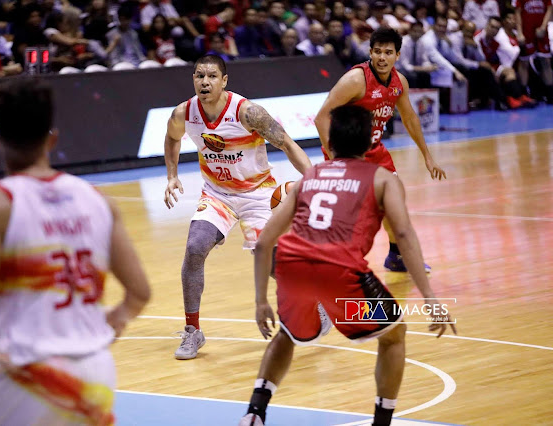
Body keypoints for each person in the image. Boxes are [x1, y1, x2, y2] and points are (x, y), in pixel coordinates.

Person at [0, 79, 151, 423]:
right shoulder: (99, 200)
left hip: (33, 376)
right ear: (52, 139)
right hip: (98, 370)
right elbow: (139, 293)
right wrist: (115, 321)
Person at [238, 105, 456, 426]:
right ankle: (381, 422)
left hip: (293, 271)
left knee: (287, 333)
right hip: (342, 278)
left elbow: (264, 242)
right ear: (370, 143)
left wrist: (261, 301)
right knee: (394, 333)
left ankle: (255, 412)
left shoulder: (309, 177)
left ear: (330, 142)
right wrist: (430, 298)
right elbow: (404, 235)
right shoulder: (382, 179)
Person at [164, 54, 313, 360]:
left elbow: (287, 143)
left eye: (212, 76)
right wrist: (172, 175)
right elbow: (171, 138)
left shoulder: (248, 113)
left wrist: (314, 179)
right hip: (217, 194)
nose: (205, 82)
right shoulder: (184, 113)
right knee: (194, 247)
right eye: (199, 76)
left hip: (257, 194)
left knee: (270, 263)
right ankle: (193, 331)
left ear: (224, 81)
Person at [314, 27, 446, 273]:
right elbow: (321, 117)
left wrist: (427, 156)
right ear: (370, 53)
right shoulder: (355, 80)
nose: (382, 57)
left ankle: (397, 257)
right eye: (377, 52)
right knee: (350, 216)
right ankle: (331, 260)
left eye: (388, 52)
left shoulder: (399, 82)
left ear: (397, 55)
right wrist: (335, 159)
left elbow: (409, 118)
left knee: (394, 206)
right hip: (346, 154)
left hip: (375, 152)